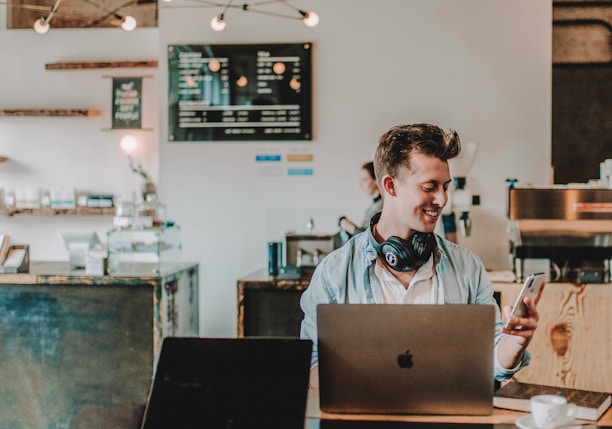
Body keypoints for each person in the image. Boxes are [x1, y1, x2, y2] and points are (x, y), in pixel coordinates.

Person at [300, 123, 540, 389]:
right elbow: (311, 366)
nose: (442, 199)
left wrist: (515, 342)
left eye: (445, 187)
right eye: (430, 187)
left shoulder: (468, 267)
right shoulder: (333, 273)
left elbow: (492, 361)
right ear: (390, 186)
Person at [338, 161, 383, 237]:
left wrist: (350, 227)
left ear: (376, 180)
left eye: (364, 180)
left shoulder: (382, 206)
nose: (361, 184)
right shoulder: (374, 204)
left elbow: (370, 239)